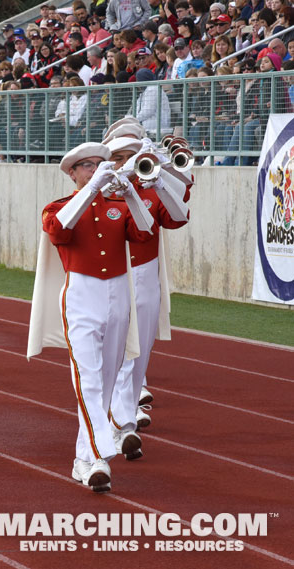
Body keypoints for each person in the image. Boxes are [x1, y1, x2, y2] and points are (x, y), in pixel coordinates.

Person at [28, 141, 155, 492]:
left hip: (117, 297)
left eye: (101, 163)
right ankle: (100, 452)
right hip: (82, 296)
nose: (97, 169)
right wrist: (93, 188)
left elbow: (144, 231)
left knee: (108, 381)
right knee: (88, 378)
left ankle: (84, 460)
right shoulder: (60, 206)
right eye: (87, 165)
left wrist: (130, 194)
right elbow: (58, 230)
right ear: (72, 173)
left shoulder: (118, 206)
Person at [104, 136, 190, 449]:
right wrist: (123, 172)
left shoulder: (151, 187)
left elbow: (179, 216)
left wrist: (162, 176)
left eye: (128, 157)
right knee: (116, 356)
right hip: (113, 277)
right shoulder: (104, 186)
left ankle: (123, 419)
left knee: (139, 356)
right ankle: (120, 423)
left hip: (146, 277)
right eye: (118, 157)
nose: (122, 162)